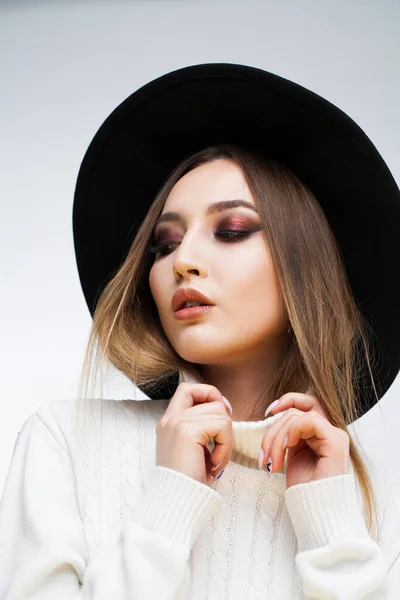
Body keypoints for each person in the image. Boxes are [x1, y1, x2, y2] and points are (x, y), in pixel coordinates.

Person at [0, 63, 400, 599]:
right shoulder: (65, 442)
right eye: (163, 244)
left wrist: (331, 529)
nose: (182, 260)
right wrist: (169, 501)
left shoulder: (378, 498)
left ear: (308, 266)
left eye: (231, 230)